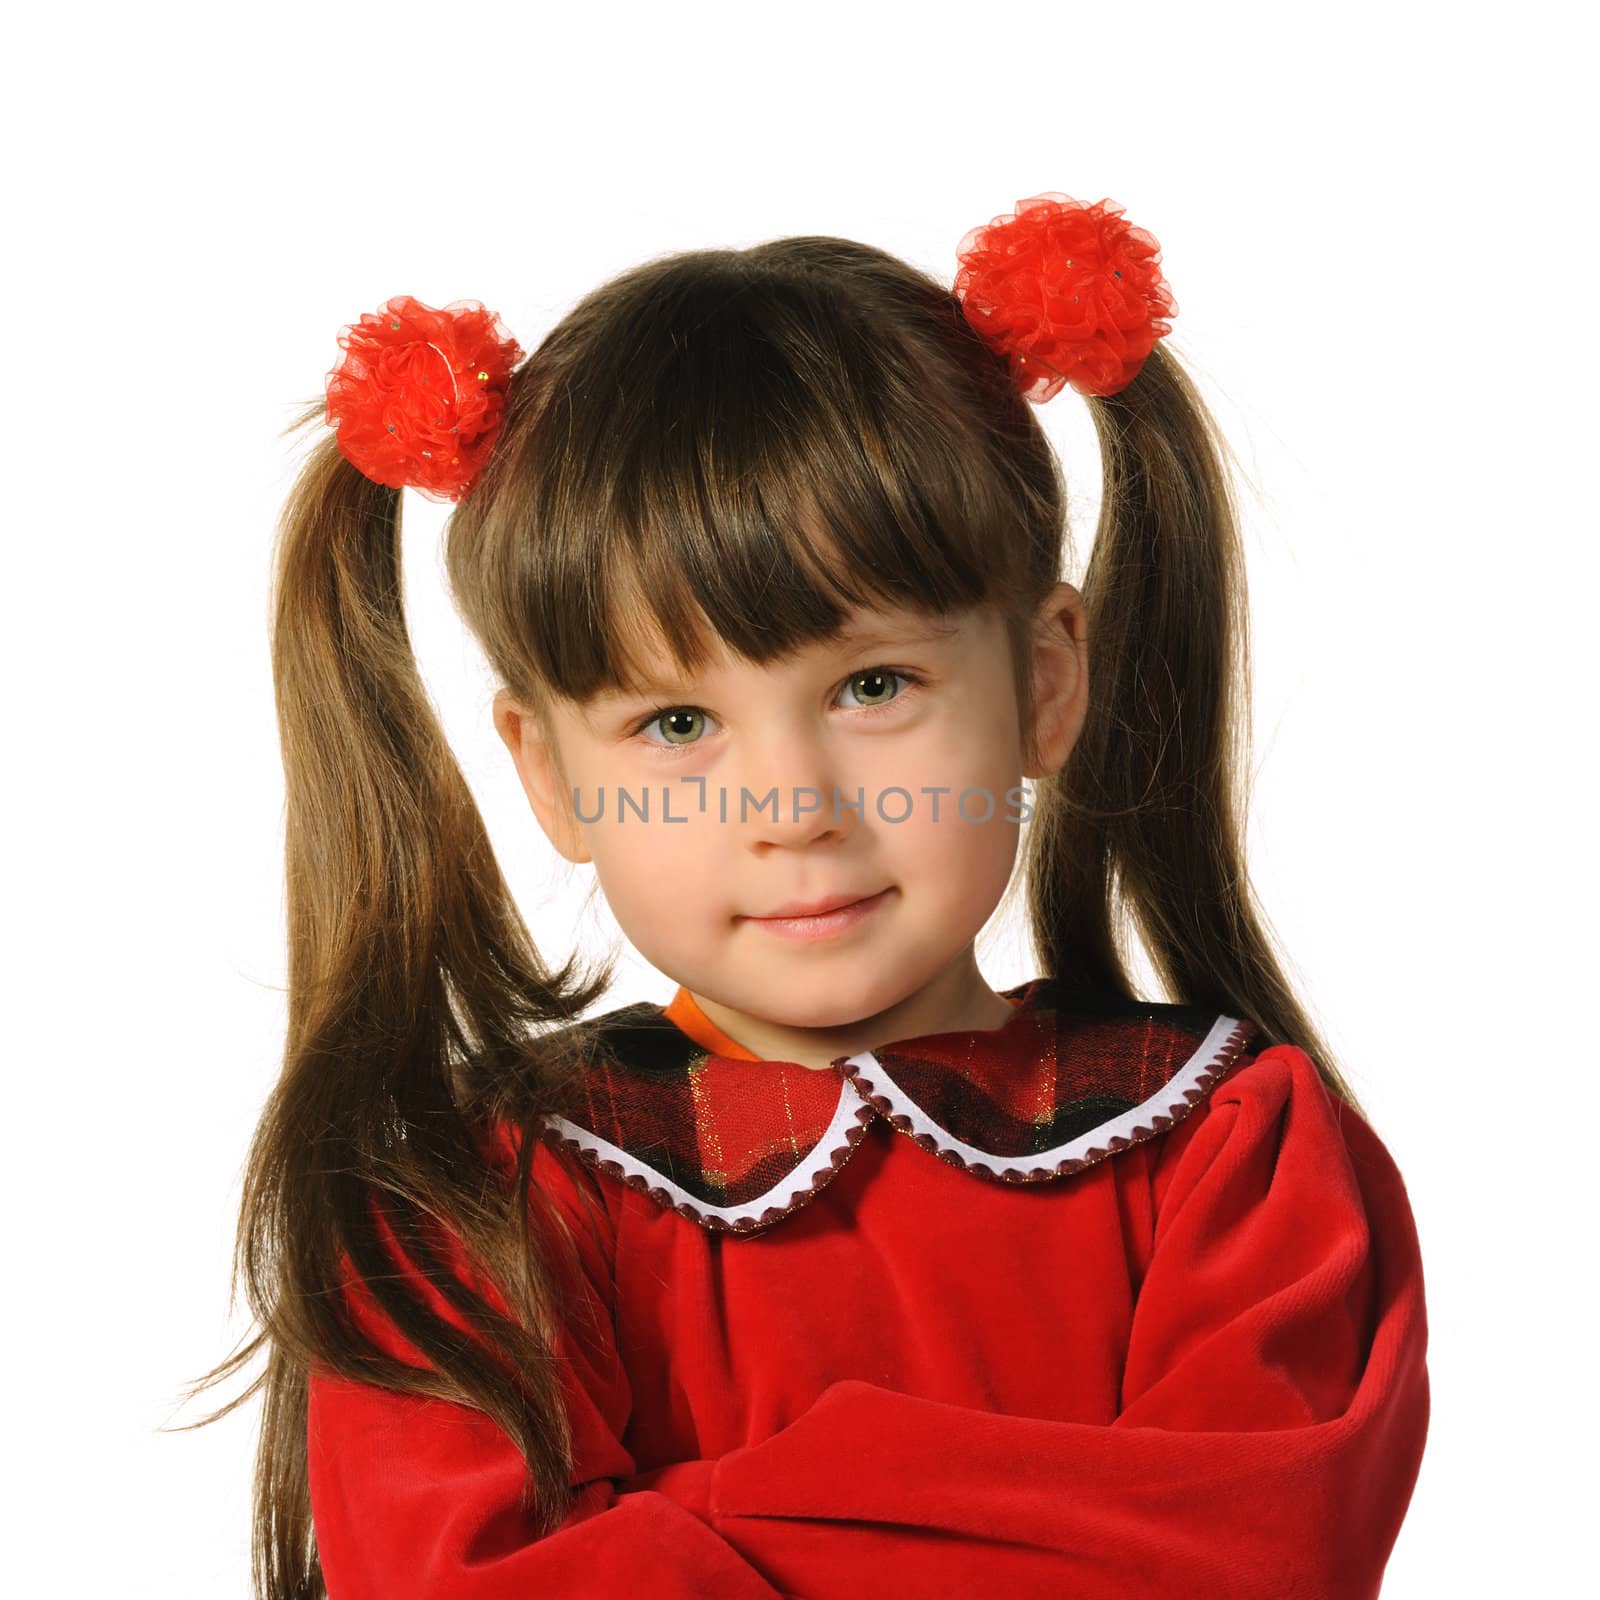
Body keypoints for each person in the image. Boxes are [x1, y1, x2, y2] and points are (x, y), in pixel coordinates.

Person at [190, 193, 1430, 1598]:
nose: (792, 808)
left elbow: (1258, 1555)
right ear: (548, 772)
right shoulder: (467, 1208)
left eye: (873, 687)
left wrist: (678, 1530)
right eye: (674, 724)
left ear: (1042, 682)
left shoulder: (1228, 1154)